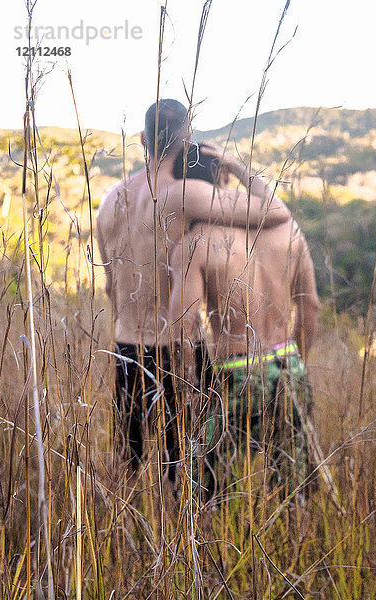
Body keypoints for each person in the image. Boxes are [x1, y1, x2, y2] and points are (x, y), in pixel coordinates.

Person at [96, 98, 292, 480]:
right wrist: (233, 163)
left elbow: (108, 285)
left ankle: (119, 537)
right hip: (178, 351)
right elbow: (275, 210)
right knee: (193, 473)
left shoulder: (110, 200)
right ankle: (194, 536)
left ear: (142, 139)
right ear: (186, 142)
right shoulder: (182, 194)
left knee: (127, 462)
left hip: (125, 348)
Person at [170, 147, 319, 498]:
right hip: (287, 363)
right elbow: (310, 306)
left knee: (203, 493)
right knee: (294, 490)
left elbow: (184, 328)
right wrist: (296, 363)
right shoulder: (290, 231)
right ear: (225, 176)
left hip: (232, 374)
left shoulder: (195, 244)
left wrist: (192, 389)